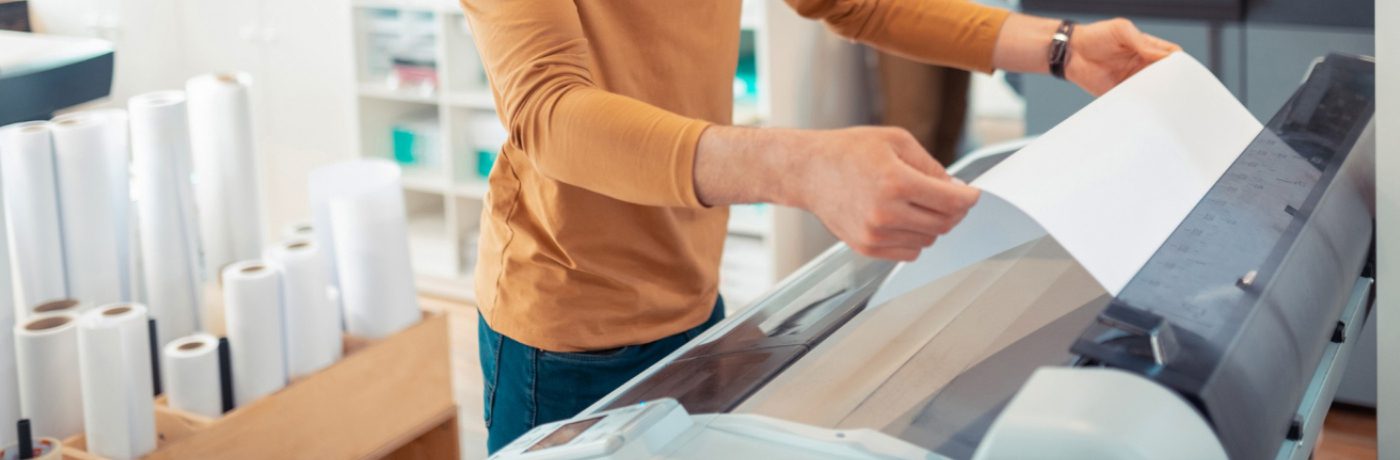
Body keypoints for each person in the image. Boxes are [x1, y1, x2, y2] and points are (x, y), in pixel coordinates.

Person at [459, 0, 1180, 452]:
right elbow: (548, 111)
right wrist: (797, 167)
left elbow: (854, 2)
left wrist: (1060, 46)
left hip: (691, 292)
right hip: (566, 325)